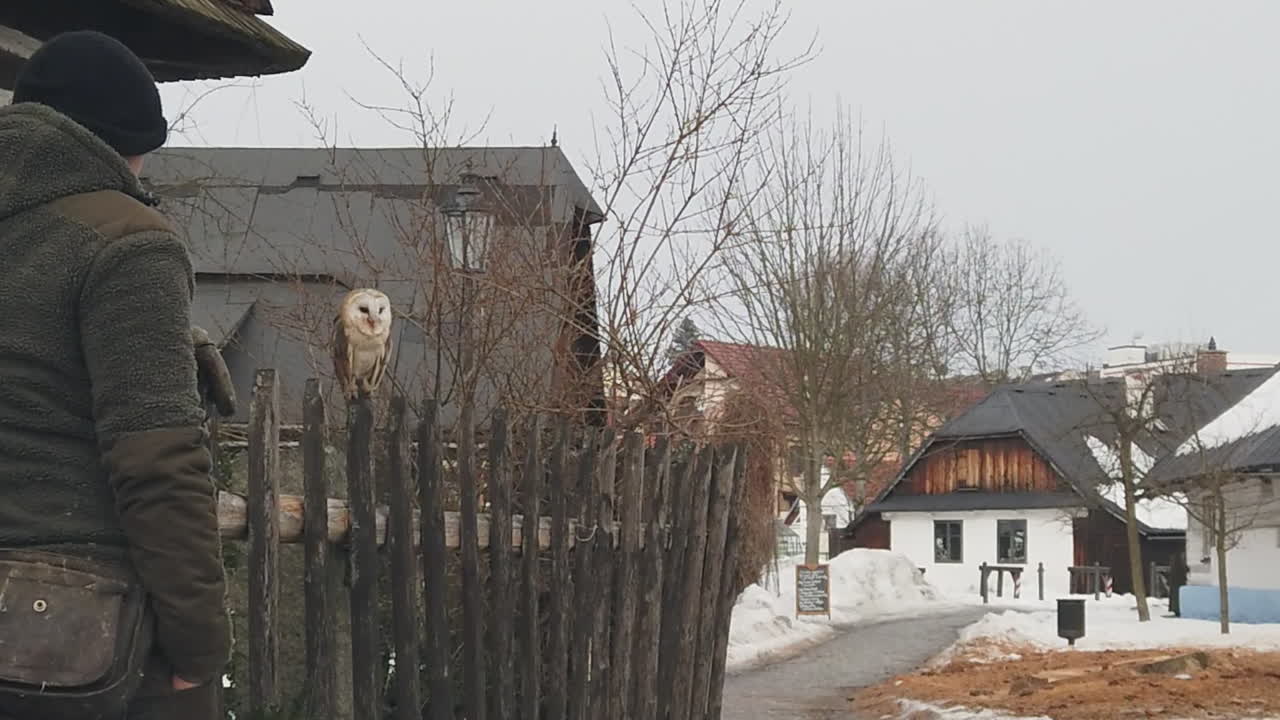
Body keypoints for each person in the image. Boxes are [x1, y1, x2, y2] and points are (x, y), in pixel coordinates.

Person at [0, 31, 230, 718]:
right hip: (76, 634)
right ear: (122, 143)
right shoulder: (127, 243)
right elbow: (157, 458)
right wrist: (197, 648)